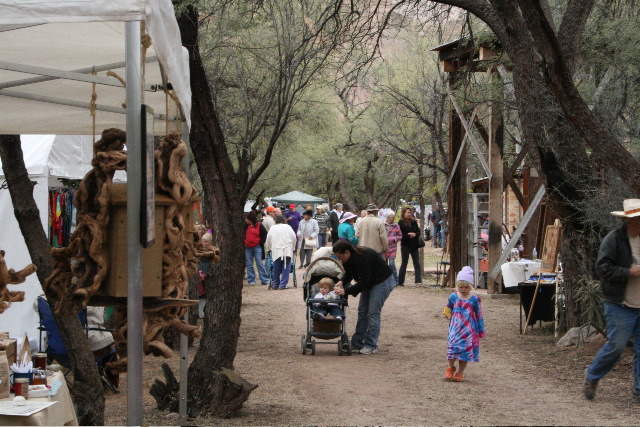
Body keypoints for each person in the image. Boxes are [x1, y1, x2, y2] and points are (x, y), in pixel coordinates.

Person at [584, 199, 640, 402]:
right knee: (616, 346)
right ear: (627, 220)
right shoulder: (614, 239)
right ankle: (592, 375)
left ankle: (638, 391)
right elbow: (602, 269)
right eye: (635, 219)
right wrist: (628, 272)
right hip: (620, 304)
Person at [333, 240, 394, 355]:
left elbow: (364, 281)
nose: (339, 259)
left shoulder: (363, 257)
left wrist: (346, 291)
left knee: (372, 313)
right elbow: (349, 273)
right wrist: (342, 281)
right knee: (362, 312)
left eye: (340, 256)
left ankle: (370, 345)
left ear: (347, 252)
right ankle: (357, 344)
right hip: (369, 282)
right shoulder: (348, 260)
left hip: (382, 281)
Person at [443, 266, 485, 382]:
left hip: (468, 330)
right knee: (452, 348)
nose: (463, 289)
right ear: (457, 286)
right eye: (461, 287)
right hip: (455, 329)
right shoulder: (453, 296)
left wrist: (481, 331)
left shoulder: (474, 299)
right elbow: (449, 307)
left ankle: (460, 372)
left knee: (465, 350)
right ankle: (450, 367)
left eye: (466, 287)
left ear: (470, 286)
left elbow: (479, 315)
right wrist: (447, 312)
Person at [265, 215, 297, 290]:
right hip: (287, 249)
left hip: (276, 250)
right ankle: (283, 284)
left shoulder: (273, 228)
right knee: (286, 268)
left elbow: (268, 239)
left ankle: (275, 284)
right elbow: (294, 238)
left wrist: (269, 248)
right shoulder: (288, 227)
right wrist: (293, 248)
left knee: (276, 268)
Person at [397, 206, 422, 286]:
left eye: (410, 212)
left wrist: (415, 234)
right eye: (407, 212)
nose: (409, 214)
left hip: (414, 245)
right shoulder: (400, 223)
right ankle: (400, 281)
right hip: (405, 245)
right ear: (403, 213)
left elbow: (418, 232)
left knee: (416, 263)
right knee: (404, 263)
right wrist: (408, 235)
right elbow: (400, 235)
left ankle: (418, 281)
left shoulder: (413, 222)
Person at [244, 211, 269, 286]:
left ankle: (264, 279)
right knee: (249, 264)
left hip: (257, 247)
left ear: (251, 220)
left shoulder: (259, 225)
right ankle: (251, 279)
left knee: (259, 263)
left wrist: (260, 242)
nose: (246, 220)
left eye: (248, 219)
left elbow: (265, 234)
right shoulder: (245, 226)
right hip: (247, 247)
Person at [384, 211, 402, 285]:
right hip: (384, 247)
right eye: (392, 217)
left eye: (394, 217)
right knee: (384, 264)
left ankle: (395, 280)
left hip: (393, 247)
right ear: (387, 217)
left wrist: (394, 239)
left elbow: (400, 236)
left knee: (391, 264)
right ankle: (385, 281)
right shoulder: (383, 225)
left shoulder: (396, 225)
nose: (393, 218)